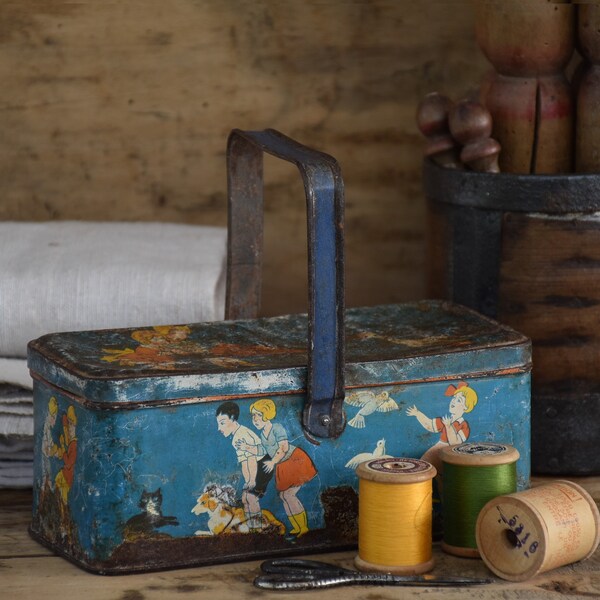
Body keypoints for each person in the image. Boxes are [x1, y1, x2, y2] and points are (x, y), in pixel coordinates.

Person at [238, 398, 317, 537]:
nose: (254, 419)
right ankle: (298, 527)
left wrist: (273, 461)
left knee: (289, 494)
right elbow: (264, 450)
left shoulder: (277, 428)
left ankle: (303, 527)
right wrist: (248, 448)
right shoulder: (263, 434)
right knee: (284, 495)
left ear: (267, 414)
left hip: (294, 460)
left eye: (258, 415)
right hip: (283, 464)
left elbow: (283, 447)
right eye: (253, 416)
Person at [406, 381, 478, 474]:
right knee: (423, 467)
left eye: (459, 400)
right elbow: (429, 425)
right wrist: (418, 414)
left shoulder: (463, 425)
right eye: (454, 397)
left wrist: (448, 427)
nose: (453, 401)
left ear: (466, 407)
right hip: (437, 451)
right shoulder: (445, 420)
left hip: (451, 456)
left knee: (444, 475)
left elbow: (455, 443)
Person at [216, 401, 265, 531]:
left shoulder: (241, 435)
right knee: (245, 498)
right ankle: (252, 528)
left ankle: (258, 529)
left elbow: (252, 459)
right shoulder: (236, 437)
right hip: (254, 468)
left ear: (232, 419)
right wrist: (248, 480)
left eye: (222, 423)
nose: (219, 428)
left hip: (262, 466)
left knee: (250, 497)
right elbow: (245, 462)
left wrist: (252, 480)